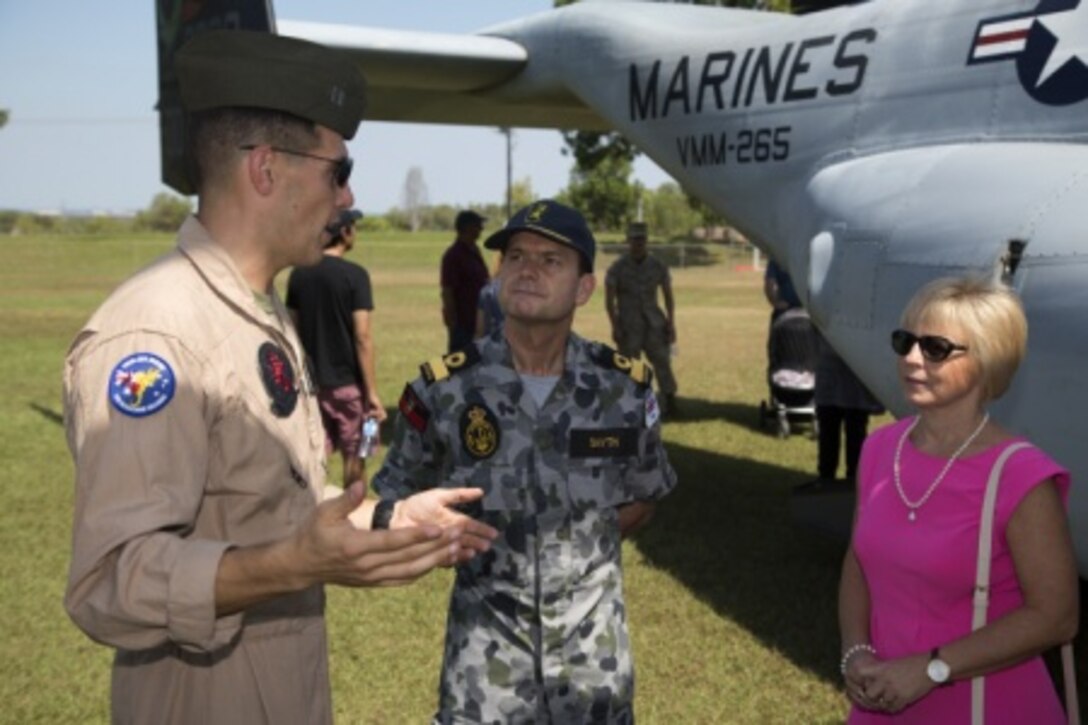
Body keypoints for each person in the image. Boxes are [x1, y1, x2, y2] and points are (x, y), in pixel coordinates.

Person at [62, 30, 496, 724]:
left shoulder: (258, 314)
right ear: (266, 169)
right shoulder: (157, 335)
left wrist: (385, 515)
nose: (349, 194)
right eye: (338, 168)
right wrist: (294, 561)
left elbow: (274, 499)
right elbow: (111, 580)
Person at [373, 199, 678, 723]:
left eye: (550, 259)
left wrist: (577, 548)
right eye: (515, 256)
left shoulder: (623, 390)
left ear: (585, 287)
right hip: (484, 672)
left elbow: (643, 497)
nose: (527, 269)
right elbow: (397, 499)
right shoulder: (442, 389)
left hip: (592, 670)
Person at [838, 276, 1078, 721]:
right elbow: (858, 561)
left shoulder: (1021, 476)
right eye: (905, 341)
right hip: (882, 701)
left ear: (987, 361)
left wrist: (932, 668)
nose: (911, 358)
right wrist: (855, 653)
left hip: (987, 706)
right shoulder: (878, 449)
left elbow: (1057, 616)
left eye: (935, 348)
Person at [287, 207, 385, 487]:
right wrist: (372, 393)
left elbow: (291, 331)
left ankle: (311, 511)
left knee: (314, 454)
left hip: (312, 385)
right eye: (354, 226)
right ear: (345, 232)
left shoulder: (299, 274)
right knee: (357, 454)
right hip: (348, 386)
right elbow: (362, 337)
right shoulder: (356, 276)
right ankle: (352, 518)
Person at [605, 221, 678, 416]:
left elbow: (668, 296)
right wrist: (615, 326)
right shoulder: (617, 268)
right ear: (628, 240)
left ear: (646, 240)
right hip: (629, 326)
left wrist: (671, 322)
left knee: (662, 361)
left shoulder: (657, 266)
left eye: (642, 239)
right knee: (630, 365)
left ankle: (669, 399)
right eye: (635, 238)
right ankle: (632, 403)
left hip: (655, 324)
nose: (638, 243)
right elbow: (609, 301)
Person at [801, 335, 884, 489]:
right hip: (836, 380)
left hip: (847, 380)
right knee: (834, 434)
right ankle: (830, 479)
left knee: (850, 434)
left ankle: (849, 479)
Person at [440, 209, 488, 352]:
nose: (481, 229)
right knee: (457, 362)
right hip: (463, 322)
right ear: (467, 227)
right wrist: (453, 321)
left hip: (478, 319)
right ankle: (429, 374)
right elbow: (447, 290)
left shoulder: (474, 250)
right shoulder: (454, 255)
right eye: (478, 225)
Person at [763, 257, 802, 323]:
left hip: (785, 311)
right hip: (809, 312)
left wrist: (776, 303)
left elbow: (770, 283)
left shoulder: (778, 257)